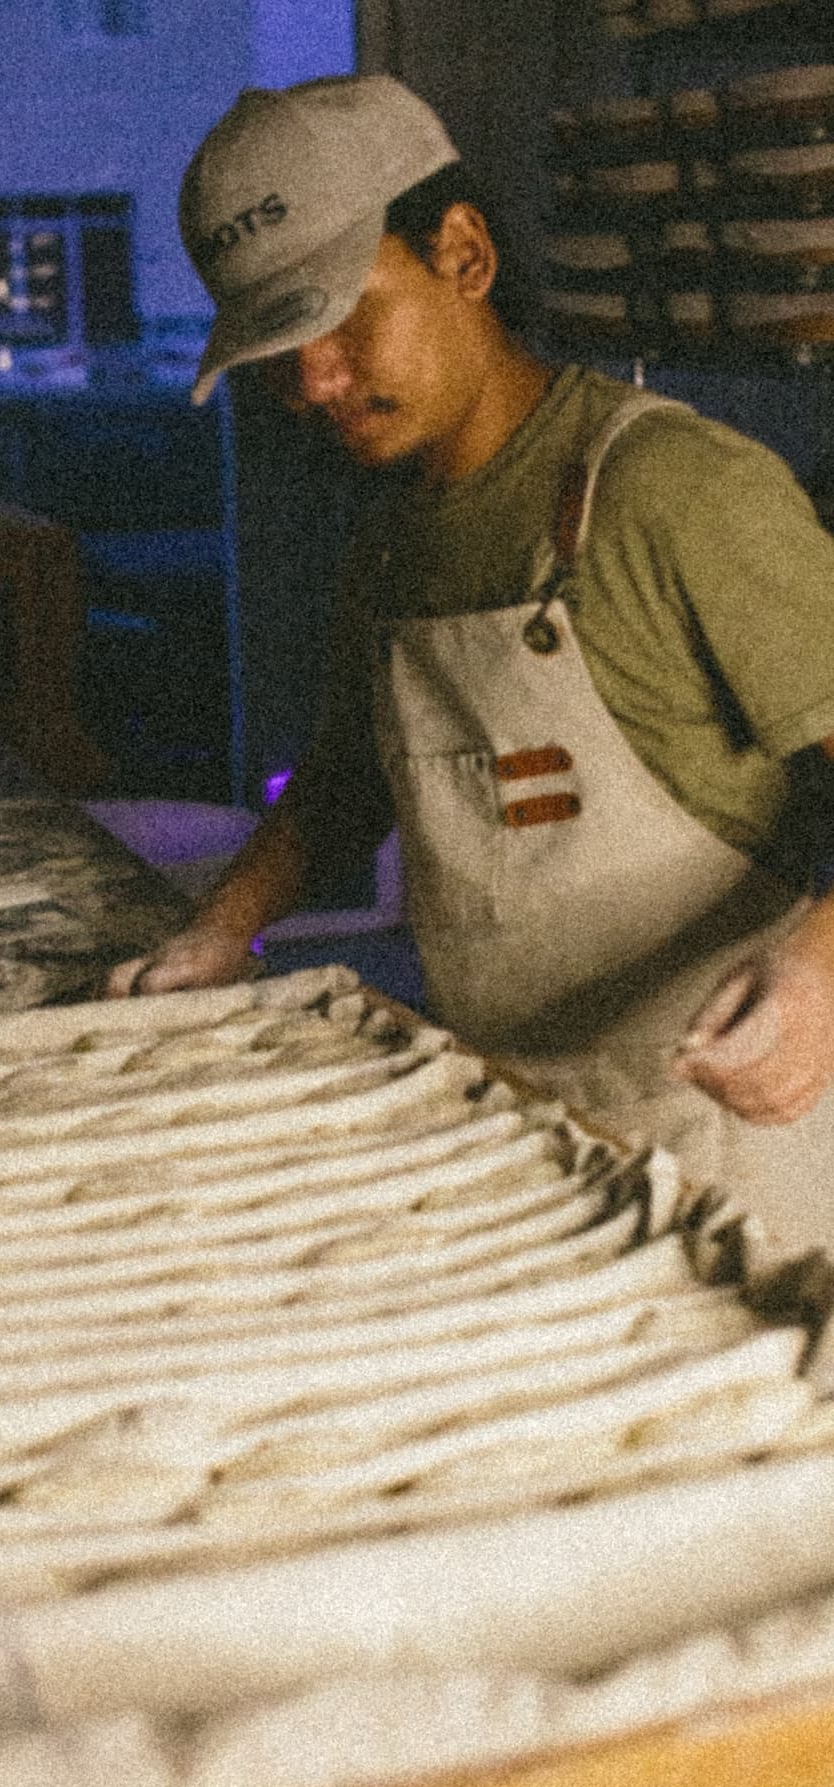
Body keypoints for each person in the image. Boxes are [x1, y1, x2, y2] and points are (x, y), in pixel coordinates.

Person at [108, 73, 834, 1250]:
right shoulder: (394, 540)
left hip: (741, 1153)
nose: (316, 383)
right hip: (527, 1136)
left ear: (463, 253)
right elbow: (349, 786)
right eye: (285, 347)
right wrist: (220, 929)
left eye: (346, 320)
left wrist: (818, 970)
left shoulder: (675, 493)